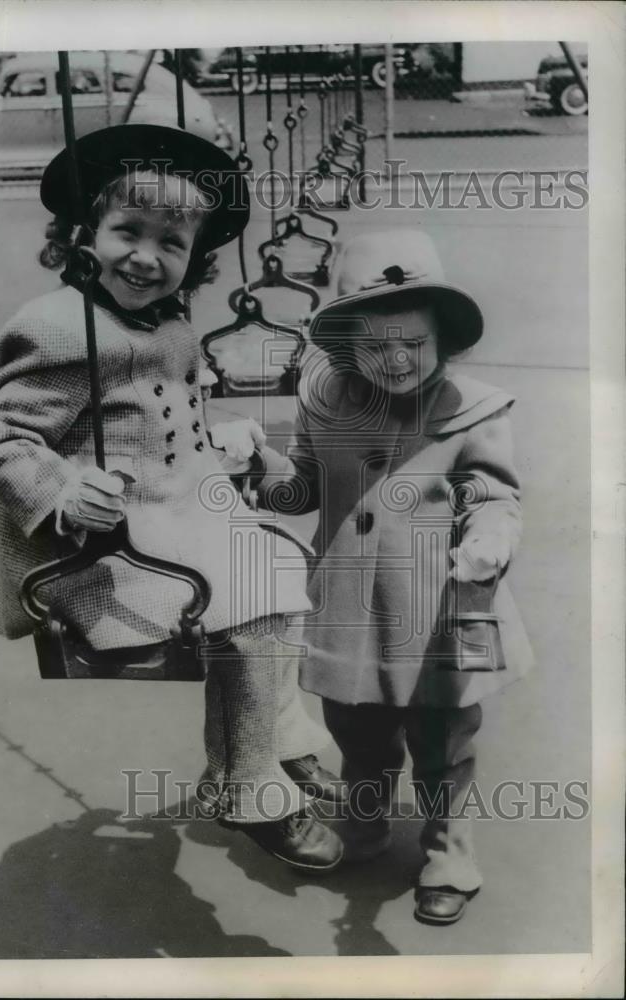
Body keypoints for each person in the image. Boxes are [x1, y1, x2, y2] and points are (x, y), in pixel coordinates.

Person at [0, 124, 344, 873]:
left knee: (279, 574)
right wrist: (64, 493)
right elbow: (4, 440)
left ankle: (276, 741)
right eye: (127, 232)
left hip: (179, 514)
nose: (147, 258)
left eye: (171, 244)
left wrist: (218, 440)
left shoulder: (167, 323)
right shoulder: (56, 328)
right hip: (106, 552)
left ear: (194, 259)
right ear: (82, 233)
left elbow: (160, 417)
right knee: (247, 604)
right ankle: (246, 786)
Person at [242, 229, 535, 922]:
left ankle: (448, 852)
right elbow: (305, 490)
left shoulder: (473, 409)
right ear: (344, 345)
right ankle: (367, 822)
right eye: (375, 345)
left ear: (444, 338)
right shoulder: (323, 402)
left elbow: (495, 497)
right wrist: (264, 476)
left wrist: (488, 543)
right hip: (348, 604)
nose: (397, 359)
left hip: (438, 604)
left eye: (413, 342)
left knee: (443, 739)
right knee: (358, 733)